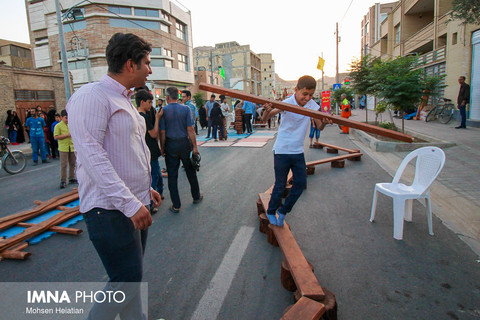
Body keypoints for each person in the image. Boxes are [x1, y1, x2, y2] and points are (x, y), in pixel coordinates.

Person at [66, 33, 161, 320]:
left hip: (133, 205)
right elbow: (94, 158)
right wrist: (131, 204)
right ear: (130, 64)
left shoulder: (123, 99)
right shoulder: (91, 97)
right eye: (146, 63)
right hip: (109, 211)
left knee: (130, 280)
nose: (150, 69)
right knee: (126, 280)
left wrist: (146, 191)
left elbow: (131, 150)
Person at [261, 75, 330, 227]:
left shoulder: (313, 106)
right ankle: (271, 211)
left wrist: (324, 123)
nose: (307, 98)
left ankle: (284, 210)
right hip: (282, 150)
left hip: (297, 151)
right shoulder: (287, 103)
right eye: (304, 94)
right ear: (296, 90)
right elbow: (267, 117)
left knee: (300, 183)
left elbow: (319, 126)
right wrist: (267, 111)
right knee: (280, 185)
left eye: (310, 95)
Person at [160, 86, 203, 213]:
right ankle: (196, 196)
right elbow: (190, 129)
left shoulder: (163, 111)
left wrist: (162, 147)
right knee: (191, 172)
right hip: (185, 144)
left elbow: (162, 132)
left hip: (170, 145)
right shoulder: (185, 109)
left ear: (167, 97)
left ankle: (176, 205)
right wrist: (195, 147)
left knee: (172, 176)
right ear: (177, 97)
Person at [136, 89, 164, 212]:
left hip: (146, 150)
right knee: (153, 176)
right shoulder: (143, 117)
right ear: (142, 102)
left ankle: (157, 196)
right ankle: (151, 203)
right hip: (149, 150)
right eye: (149, 102)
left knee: (157, 175)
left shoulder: (136, 115)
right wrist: (157, 118)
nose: (150, 105)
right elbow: (153, 133)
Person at [53, 110, 76, 189]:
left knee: (73, 164)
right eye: (66, 118)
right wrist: (67, 135)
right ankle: (63, 180)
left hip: (72, 146)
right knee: (64, 165)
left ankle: (72, 178)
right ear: (61, 117)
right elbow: (56, 137)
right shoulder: (58, 126)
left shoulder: (71, 124)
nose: (67, 120)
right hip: (63, 148)